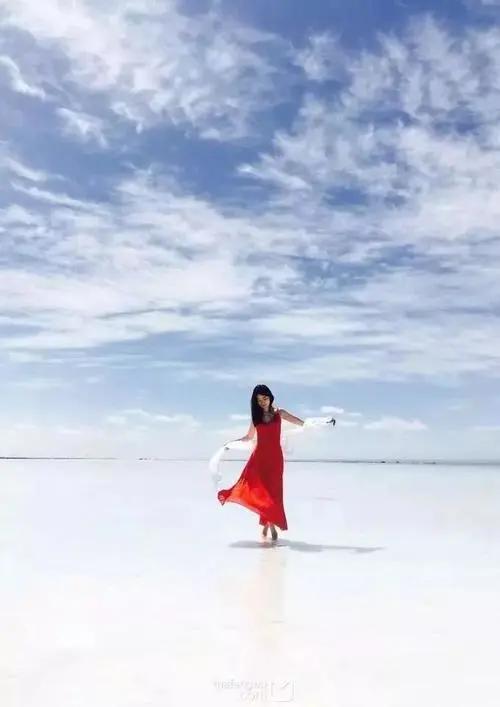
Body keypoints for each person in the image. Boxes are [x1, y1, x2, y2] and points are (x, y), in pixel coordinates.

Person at [217, 384, 305, 542]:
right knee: (263, 493)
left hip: (276, 459)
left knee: (275, 493)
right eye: (259, 400)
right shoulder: (256, 419)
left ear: (270, 397)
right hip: (259, 459)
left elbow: (299, 422)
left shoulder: (279, 413)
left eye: (265, 398)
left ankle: (266, 524)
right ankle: (271, 526)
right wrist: (231, 443)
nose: (263, 402)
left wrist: (313, 424)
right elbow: (248, 437)